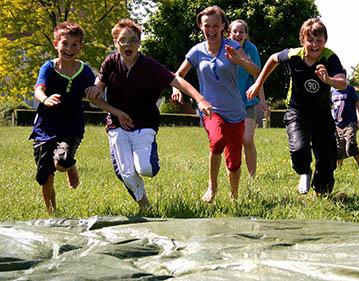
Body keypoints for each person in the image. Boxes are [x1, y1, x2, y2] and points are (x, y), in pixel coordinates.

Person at [86, 19, 212, 210]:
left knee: (145, 169)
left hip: (144, 124)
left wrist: (200, 99)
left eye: (133, 40)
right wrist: (113, 108)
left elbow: (177, 80)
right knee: (126, 173)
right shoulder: (110, 63)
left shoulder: (149, 66)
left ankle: (150, 159)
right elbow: (96, 96)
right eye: (123, 40)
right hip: (117, 125)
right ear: (116, 43)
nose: (128, 44)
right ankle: (145, 205)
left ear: (139, 43)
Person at [247, 18, 347, 196]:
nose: (315, 45)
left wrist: (328, 80)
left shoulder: (330, 57)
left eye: (319, 40)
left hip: (322, 113)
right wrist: (258, 83)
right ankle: (304, 171)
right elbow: (272, 59)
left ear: (325, 41)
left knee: (327, 159)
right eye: (310, 40)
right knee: (299, 150)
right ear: (302, 40)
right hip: (297, 112)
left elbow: (342, 83)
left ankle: (322, 193)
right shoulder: (294, 55)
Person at [171, 6, 260, 203]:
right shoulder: (197, 51)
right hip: (210, 109)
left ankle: (234, 195)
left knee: (234, 160)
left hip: (236, 111)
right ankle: (212, 187)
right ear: (200, 27)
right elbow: (178, 76)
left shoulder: (233, 47)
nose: (211, 30)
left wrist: (239, 60)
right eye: (206, 26)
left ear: (222, 27)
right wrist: (176, 89)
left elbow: (255, 71)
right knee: (217, 141)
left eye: (215, 26)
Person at [29, 22, 96, 214]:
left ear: (80, 48)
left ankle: (70, 165)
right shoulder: (48, 67)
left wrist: (114, 110)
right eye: (65, 43)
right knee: (45, 176)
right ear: (56, 44)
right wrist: (45, 99)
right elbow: (38, 90)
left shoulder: (84, 71)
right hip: (45, 127)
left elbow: (96, 95)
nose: (69, 49)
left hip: (71, 127)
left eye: (74, 45)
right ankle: (53, 213)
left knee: (61, 162)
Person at [228, 19, 269, 178]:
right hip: (228, 102)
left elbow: (258, 75)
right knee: (233, 142)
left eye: (241, 31)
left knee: (247, 139)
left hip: (247, 101)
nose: (238, 34)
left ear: (246, 34)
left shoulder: (251, 49)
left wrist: (263, 101)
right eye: (235, 31)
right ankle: (233, 172)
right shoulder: (222, 47)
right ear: (229, 33)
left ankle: (252, 176)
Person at [331, 85, 359, 169]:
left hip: (350, 122)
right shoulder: (332, 91)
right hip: (337, 124)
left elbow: (358, 104)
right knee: (339, 146)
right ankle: (339, 168)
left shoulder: (350, 89)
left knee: (351, 142)